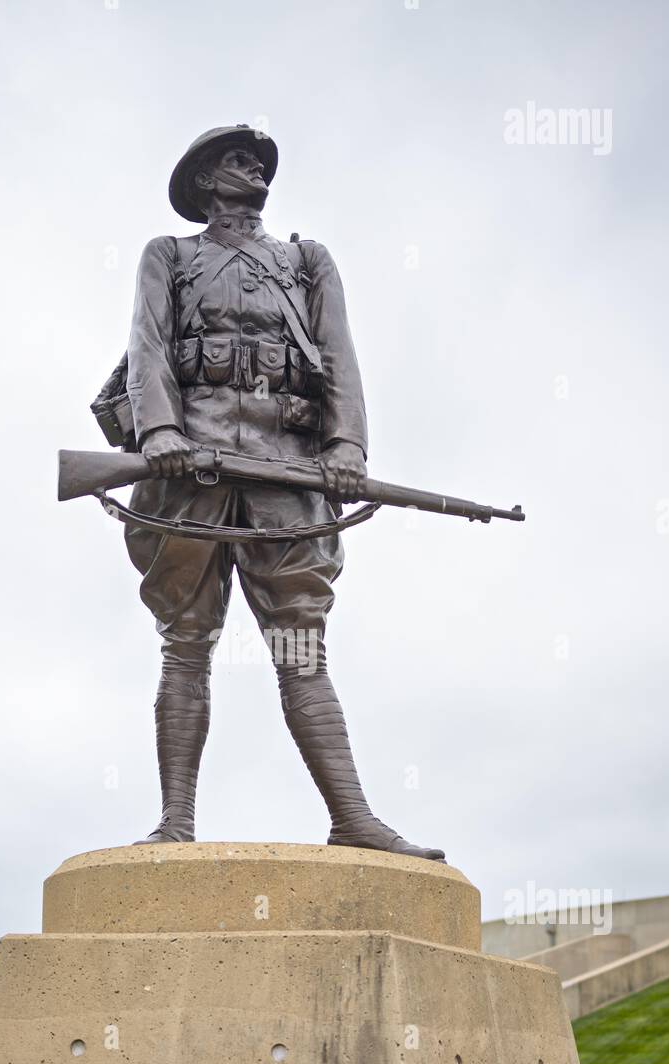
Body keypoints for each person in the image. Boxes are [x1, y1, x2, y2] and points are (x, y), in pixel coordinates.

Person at [120, 125, 444, 860]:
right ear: (204, 183)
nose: (251, 168)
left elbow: (341, 356)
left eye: (258, 161)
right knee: (186, 644)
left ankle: (353, 817)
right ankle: (176, 821)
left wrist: (346, 447)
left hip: (286, 468)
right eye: (234, 160)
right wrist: (159, 433)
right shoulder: (167, 255)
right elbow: (147, 346)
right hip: (187, 471)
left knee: (302, 650)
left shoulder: (306, 260)